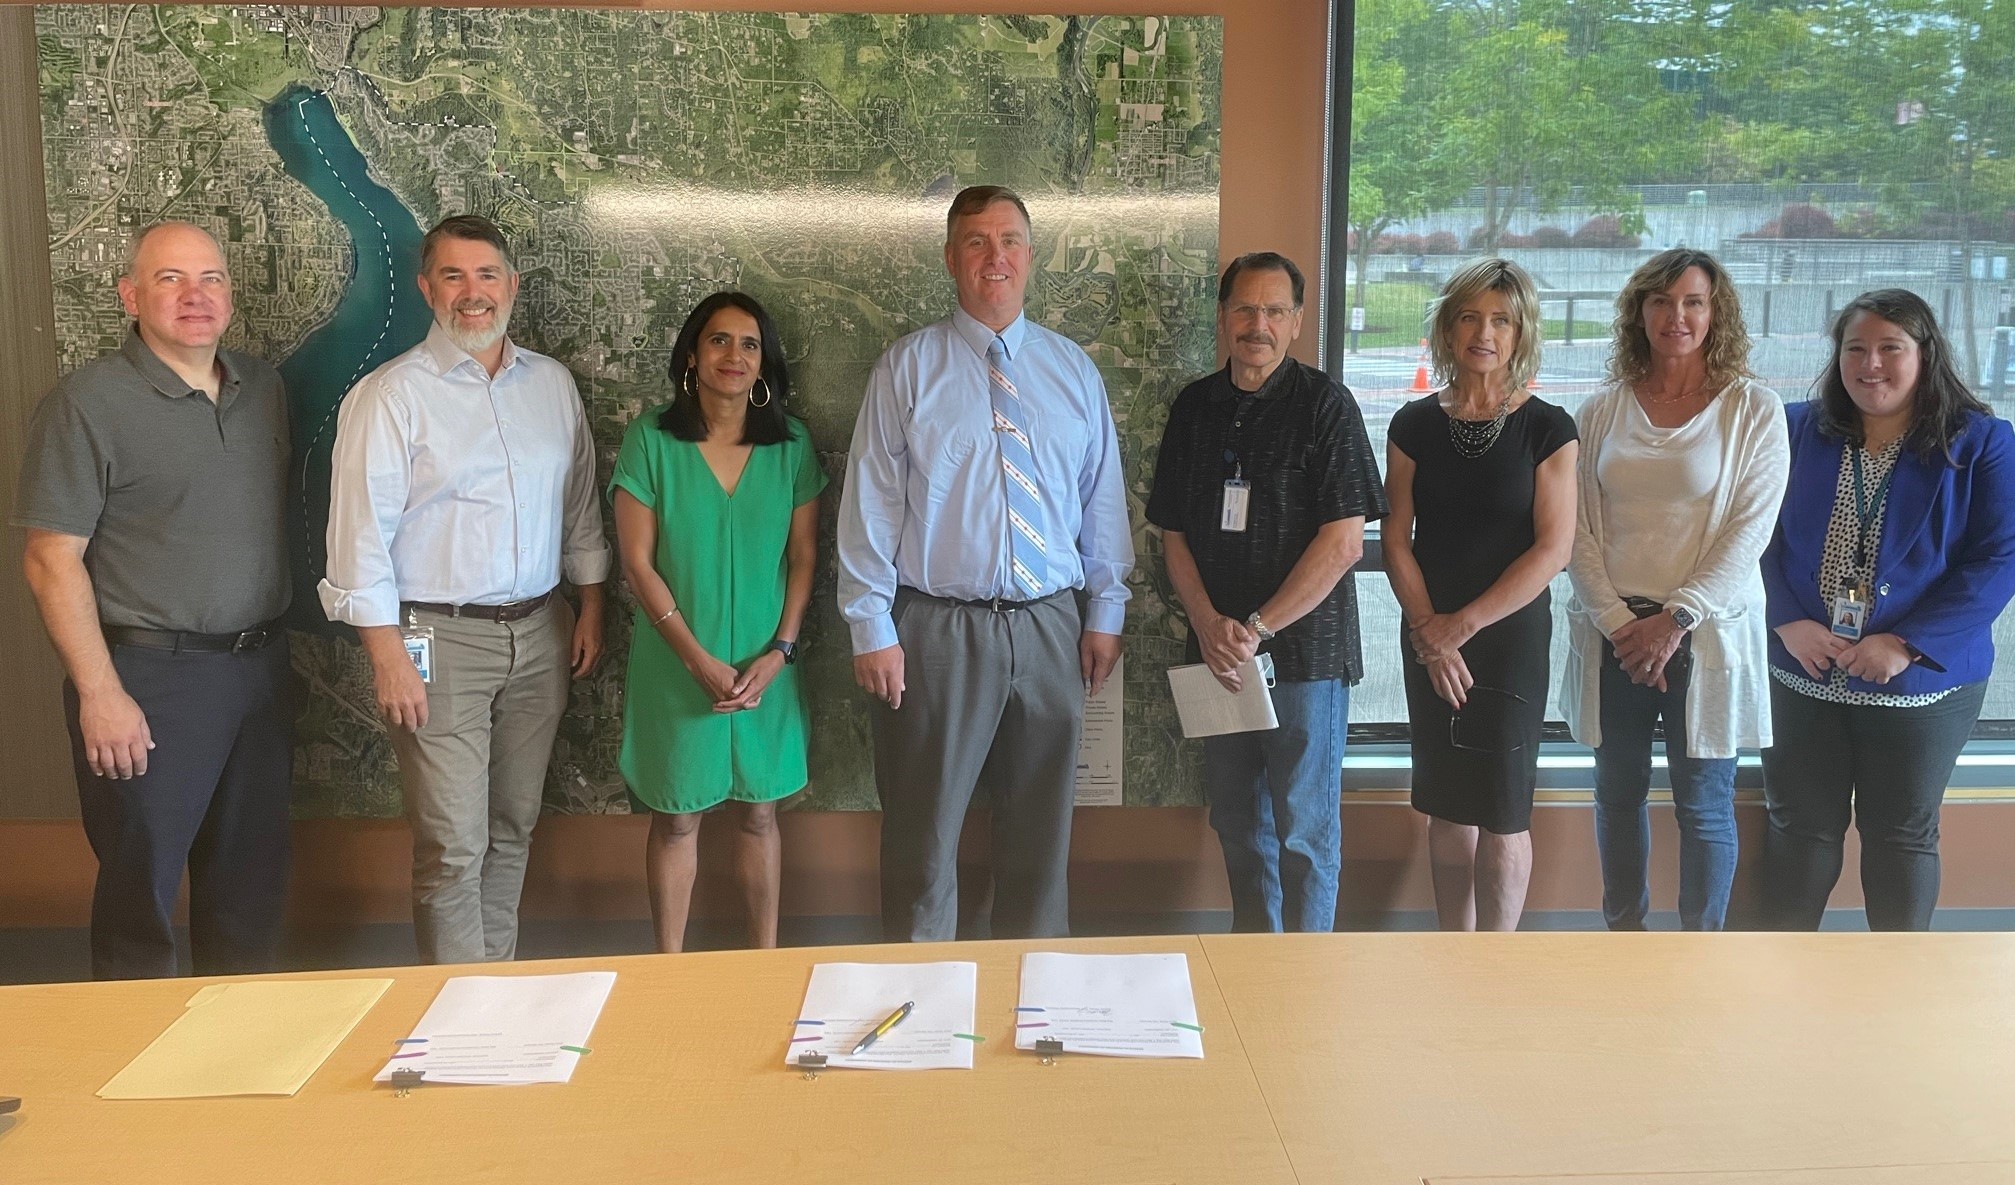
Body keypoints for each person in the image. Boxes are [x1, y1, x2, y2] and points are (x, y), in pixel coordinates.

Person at [837, 184, 1134, 942]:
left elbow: (1100, 500)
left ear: (1030, 257)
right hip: (936, 630)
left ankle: (1033, 994)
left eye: (1008, 240)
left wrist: (1105, 610)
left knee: (1040, 836)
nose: (993, 256)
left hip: (1050, 628)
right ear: (950, 258)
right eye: (975, 241)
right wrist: (870, 624)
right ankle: (916, 997)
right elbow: (871, 501)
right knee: (922, 834)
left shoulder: (1072, 371)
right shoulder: (906, 368)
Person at [321, 214, 609, 965]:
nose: (472, 293)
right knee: (452, 841)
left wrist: (592, 605)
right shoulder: (390, 397)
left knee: (513, 825)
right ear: (427, 288)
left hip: (542, 630)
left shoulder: (550, 386)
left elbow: (578, 506)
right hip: (432, 639)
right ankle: (457, 1017)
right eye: (453, 276)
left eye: (487, 275)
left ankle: (495, 994)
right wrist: (387, 655)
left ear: (513, 285)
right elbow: (359, 540)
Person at [14, 222, 293, 979]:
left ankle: (243, 1058)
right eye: (170, 279)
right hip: (148, 679)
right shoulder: (86, 403)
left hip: (259, 671)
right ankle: (132, 1073)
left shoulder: (261, 389)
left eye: (210, 277)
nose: (195, 295)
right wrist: (101, 693)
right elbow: (49, 559)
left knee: (249, 888)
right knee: (145, 894)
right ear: (130, 295)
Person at [1145, 252, 1386, 933]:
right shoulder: (1194, 408)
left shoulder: (1325, 406)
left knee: (1304, 831)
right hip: (1217, 660)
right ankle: (1256, 963)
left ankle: (1305, 978)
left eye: (1274, 311)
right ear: (1222, 318)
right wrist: (1209, 624)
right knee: (1236, 823)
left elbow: (1343, 541)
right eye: (1245, 309)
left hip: (1304, 661)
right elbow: (1172, 532)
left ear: (1297, 322)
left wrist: (1254, 626)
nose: (1259, 325)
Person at [1760, 289, 2015, 931]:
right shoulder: (1793, 428)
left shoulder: (1982, 442)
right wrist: (1787, 619)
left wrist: (1905, 643)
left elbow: (1999, 557)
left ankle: (1899, 992)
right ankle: (1776, 988)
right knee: (1801, 830)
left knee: (1899, 835)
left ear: (1925, 355)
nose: (1871, 365)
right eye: (1856, 349)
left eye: (1890, 348)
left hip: (1922, 683)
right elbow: (1749, 535)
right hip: (1803, 667)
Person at [1561, 250, 1788, 931]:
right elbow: (1572, 526)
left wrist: (1676, 618)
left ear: (1715, 313)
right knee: (1616, 795)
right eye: (1659, 302)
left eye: (1691, 302)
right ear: (1637, 312)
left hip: (1703, 634)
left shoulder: (1753, 409)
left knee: (1704, 802)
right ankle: (1624, 937)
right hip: (1615, 636)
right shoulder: (1600, 410)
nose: (1676, 316)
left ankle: (1701, 952)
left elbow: (1749, 529)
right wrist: (1614, 619)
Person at [610, 292, 824, 952]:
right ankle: (667, 968)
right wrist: (697, 659)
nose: (734, 355)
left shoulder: (790, 446)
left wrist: (781, 650)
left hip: (765, 665)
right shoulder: (651, 439)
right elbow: (638, 565)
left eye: (750, 344)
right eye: (719, 341)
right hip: (677, 667)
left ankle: (763, 961)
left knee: (760, 813)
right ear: (691, 356)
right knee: (676, 819)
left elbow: (804, 556)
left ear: (765, 363)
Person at [1382, 258, 1577, 932]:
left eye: (1499, 319)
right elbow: (1395, 539)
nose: (1482, 332)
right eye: (1468, 315)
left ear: (1521, 332)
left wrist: (1458, 626)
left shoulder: (1548, 427)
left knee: (1500, 805)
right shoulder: (1412, 424)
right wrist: (1428, 632)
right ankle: (1450, 949)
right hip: (1427, 631)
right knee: (1445, 799)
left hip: (1506, 638)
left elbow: (1552, 549)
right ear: (1446, 326)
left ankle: (1495, 959)